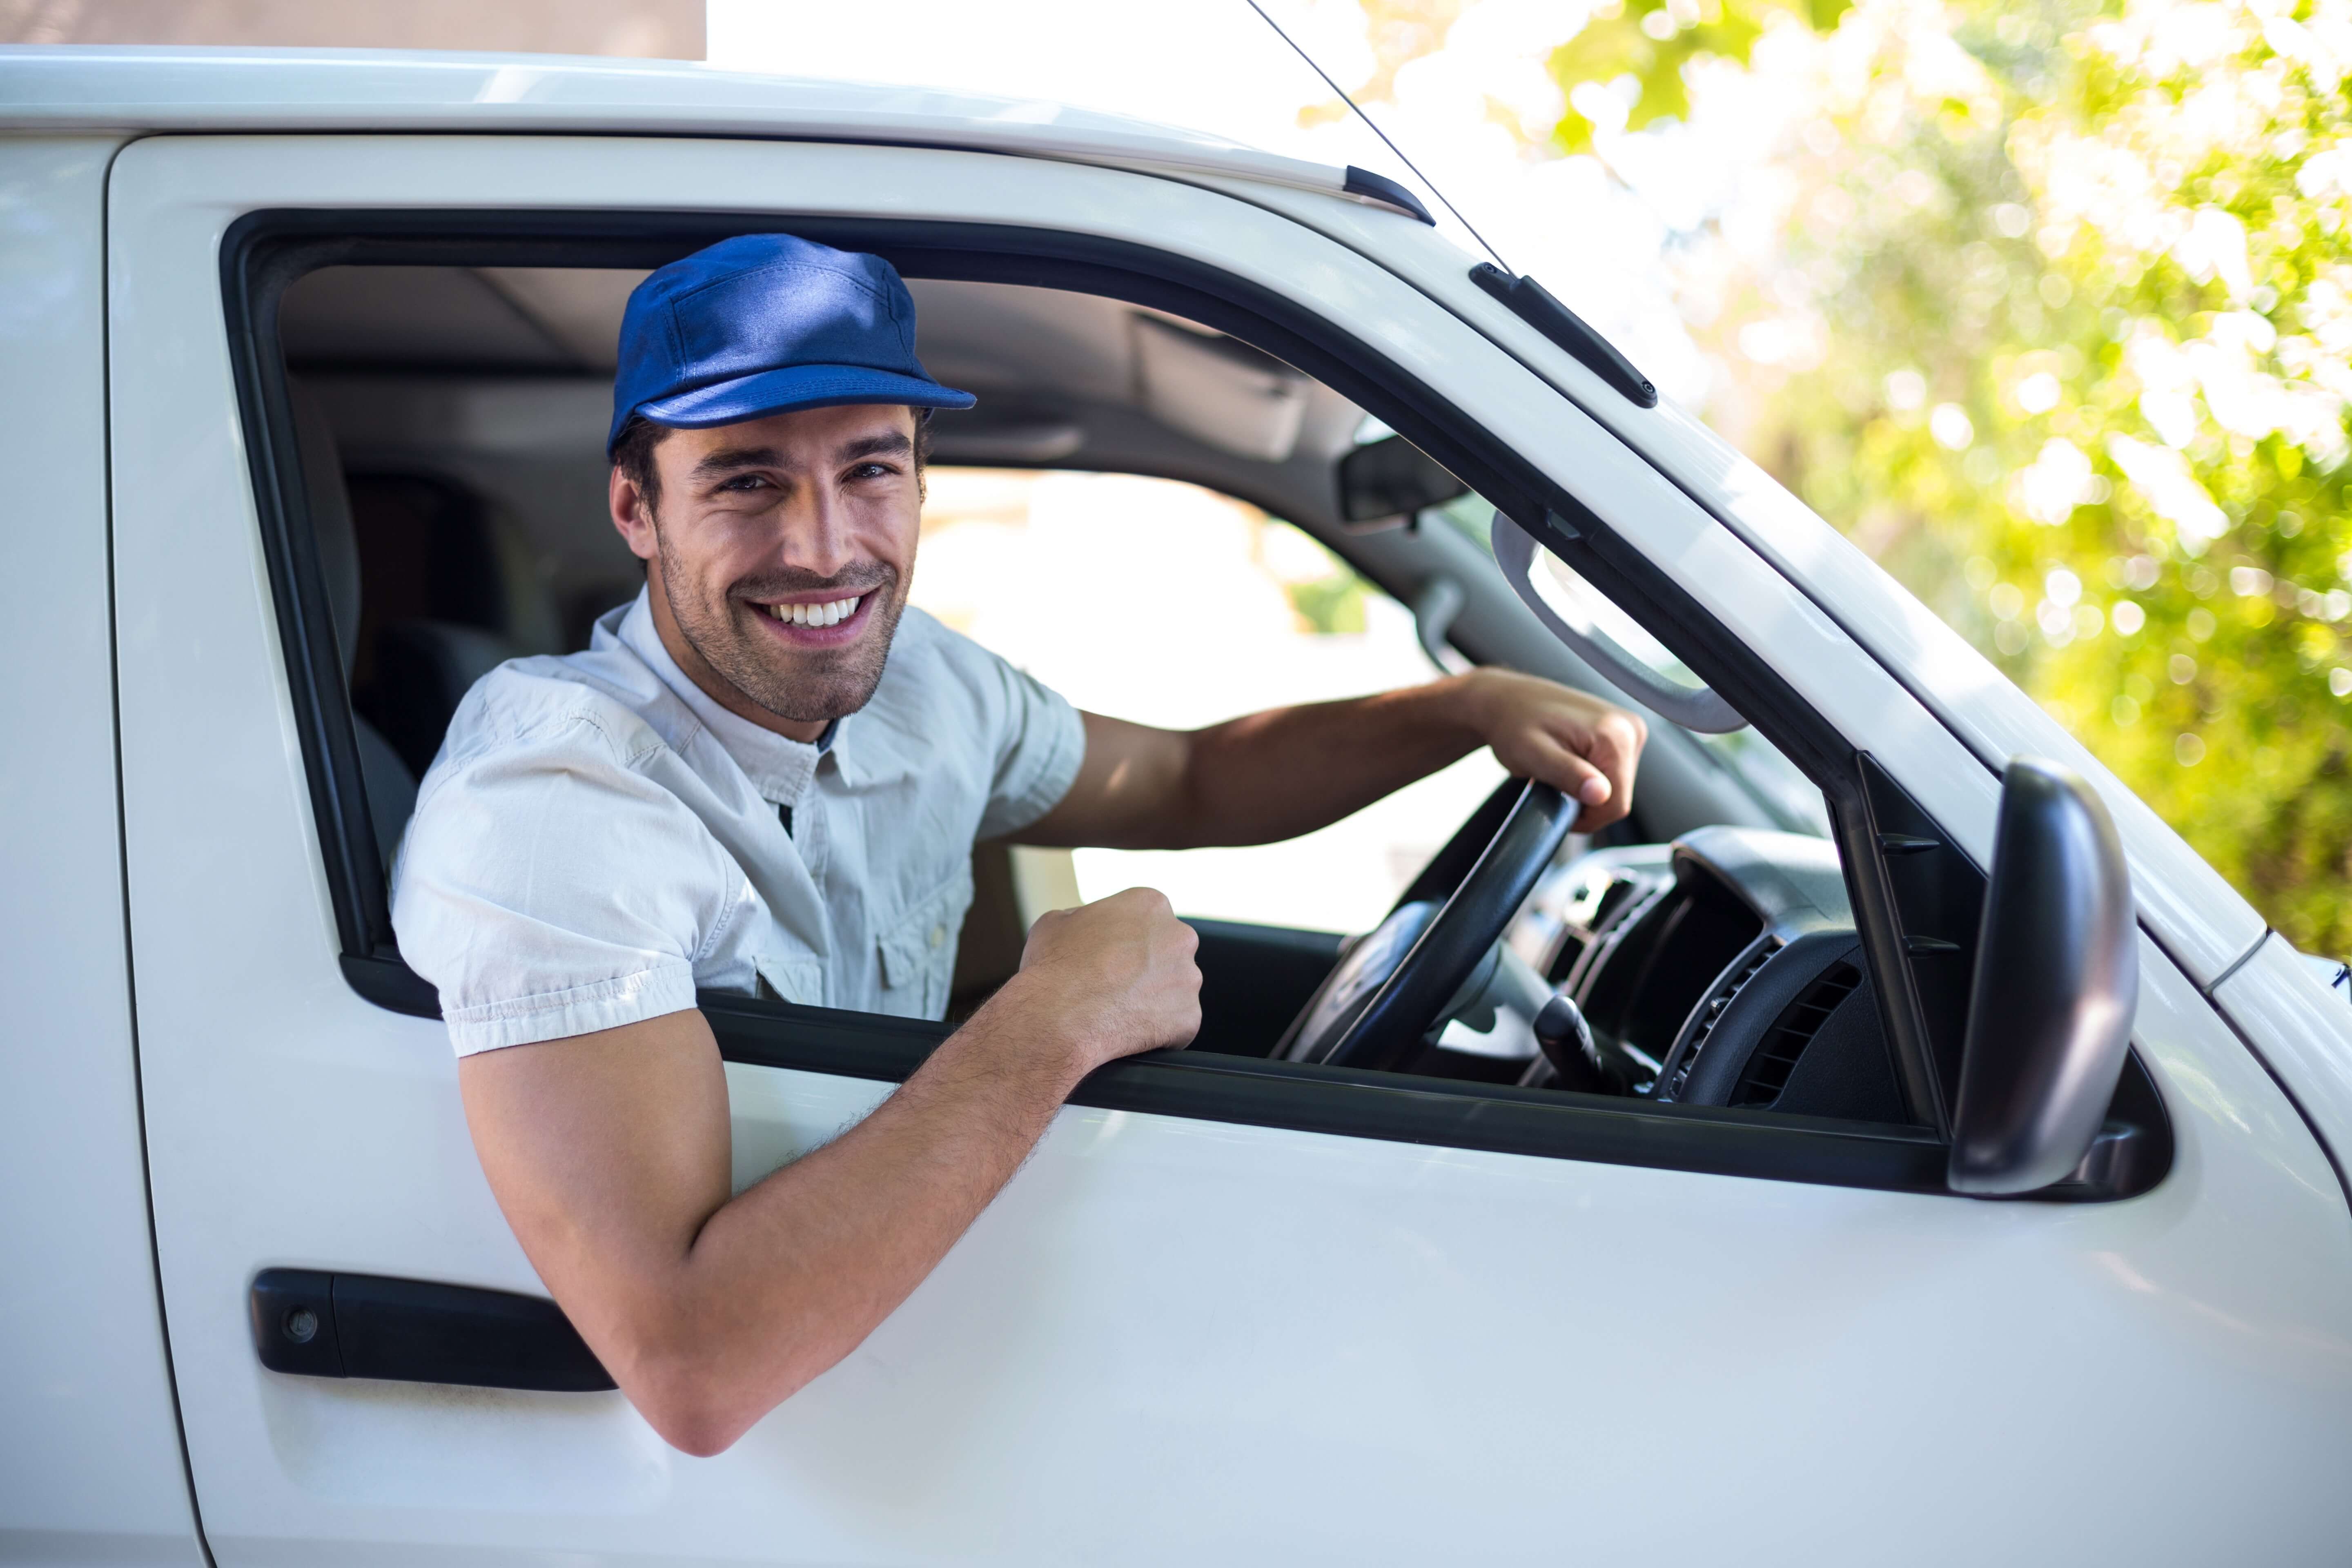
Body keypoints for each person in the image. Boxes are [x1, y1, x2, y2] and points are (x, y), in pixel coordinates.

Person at [392, 233, 1648, 1457]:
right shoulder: (553, 798)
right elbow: (695, 1364)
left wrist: (1464, 709)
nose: (826, 546)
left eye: (870, 471)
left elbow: (1190, 779)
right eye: (747, 480)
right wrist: (1051, 1024)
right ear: (637, 508)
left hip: (929, 1384)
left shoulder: (918, 681)